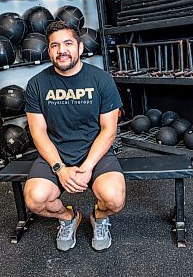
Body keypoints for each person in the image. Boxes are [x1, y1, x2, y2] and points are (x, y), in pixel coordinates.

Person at [24, 20, 125, 252]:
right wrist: (59, 167)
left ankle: (98, 217)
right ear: (48, 50)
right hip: (56, 154)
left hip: (96, 154)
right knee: (35, 199)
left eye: (68, 43)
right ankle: (68, 217)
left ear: (80, 48)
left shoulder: (102, 80)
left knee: (114, 199)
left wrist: (88, 166)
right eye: (55, 45)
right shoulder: (36, 84)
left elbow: (109, 130)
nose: (62, 51)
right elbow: (37, 132)